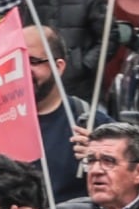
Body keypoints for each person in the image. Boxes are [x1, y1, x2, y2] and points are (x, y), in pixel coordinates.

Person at [26, 23, 106, 195]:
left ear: (59, 66)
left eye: (33, 61)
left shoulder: (90, 123)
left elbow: (128, 190)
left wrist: (102, 161)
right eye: (15, 62)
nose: (23, 71)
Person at [29, 0, 107, 95]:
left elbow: (107, 39)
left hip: (77, 85)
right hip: (43, 80)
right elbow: (28, 35)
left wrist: (84, 66)